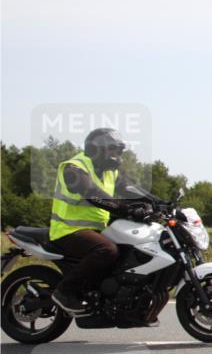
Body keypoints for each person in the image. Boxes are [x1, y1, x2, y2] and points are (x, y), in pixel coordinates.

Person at [49, 128, 149, 315]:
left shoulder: (109, 172)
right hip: (68, 230)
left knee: (129, 250)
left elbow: (131, 189)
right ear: (96, 149)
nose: (116, 155)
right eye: (112, 150)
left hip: (96, 230)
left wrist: (160, 203)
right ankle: (64, 292)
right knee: (107, 250)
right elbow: (93, 194)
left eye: (119, 151)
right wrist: (126, 208)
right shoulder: (74, 168)